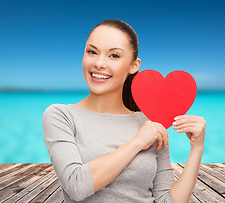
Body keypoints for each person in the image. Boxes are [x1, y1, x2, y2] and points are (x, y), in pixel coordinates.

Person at [42, 19, 206, 203]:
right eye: (92, 52)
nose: (99, 63)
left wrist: (197, 148)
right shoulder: (61, 116)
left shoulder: (151, 123)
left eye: (114, 56)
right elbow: (76, 186)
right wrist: (137, 142)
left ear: (133, 66)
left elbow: (166, 200)